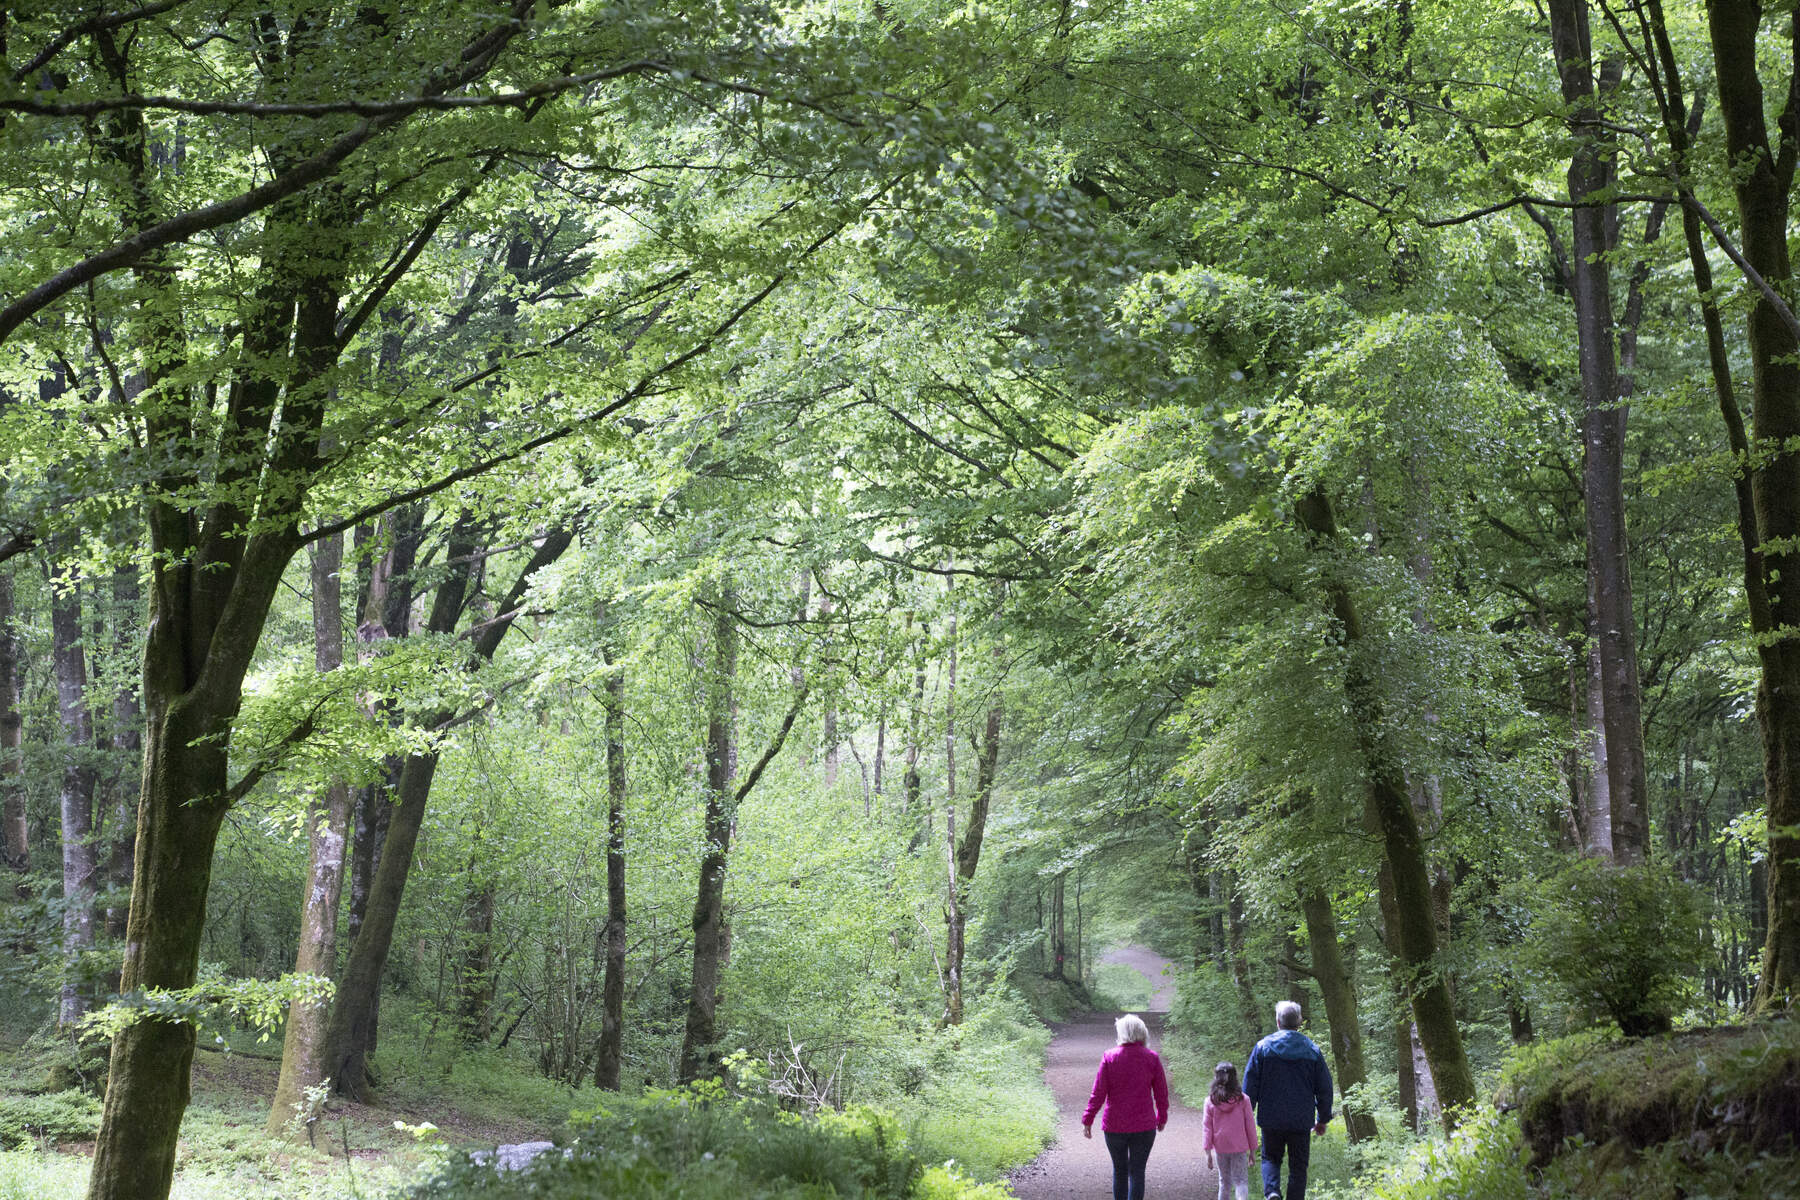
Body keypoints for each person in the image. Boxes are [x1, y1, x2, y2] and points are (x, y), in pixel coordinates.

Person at [1242, 1001, 1333, 1200]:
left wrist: (1245, 1117)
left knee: (1270, 1158)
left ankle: (1272, 1192)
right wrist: (1322, 1118)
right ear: (1299, 1022)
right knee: (1298, 1166)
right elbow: (1325, 1088)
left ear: (1278, 1021)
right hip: (1300, 1120)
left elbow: (1249, 1087)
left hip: (1271, 1118)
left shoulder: (1263, 1048)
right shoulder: (1312, 1050)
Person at [1081, 1013, 1170, 1200]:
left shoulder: (1110, 1057)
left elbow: (1098, 1093)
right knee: (1138, 1171)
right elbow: (1161, 1093)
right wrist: (1162, 1117)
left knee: (1119, 1170)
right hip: (1144, 1126)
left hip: (1115, 1126)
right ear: (1142, 1033)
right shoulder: (1151, 1058)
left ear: (1121, 1033)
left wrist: (1088, 1119)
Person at [1202, 1060, 1256, 1200]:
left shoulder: (1210, 1101)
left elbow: (1207, 1128)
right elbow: (1250, 1125)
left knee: (1224, 1182)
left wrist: (1208, 1152)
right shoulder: (1244, 1100)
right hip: (1239, 1147)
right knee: (1241, 1181)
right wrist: (1253, 1150)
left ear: (1216, 1078)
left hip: (1221, 1147)